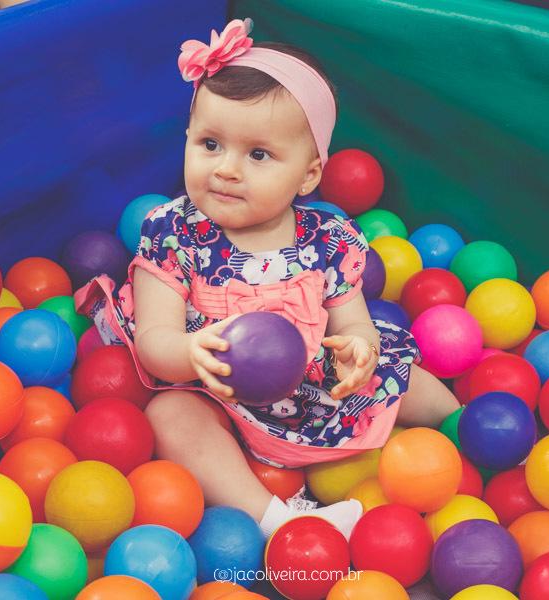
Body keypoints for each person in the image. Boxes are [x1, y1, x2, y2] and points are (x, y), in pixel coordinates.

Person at [76, 18, 460, 539]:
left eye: (258, 154)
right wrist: (191, 352)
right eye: (210, 144)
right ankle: (276, 520)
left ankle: (465, 435)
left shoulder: (328, 237)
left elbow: (354, 325)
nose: (227, 169)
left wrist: (359, 352)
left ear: (308, 174)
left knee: (404, 379)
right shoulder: (173, 234)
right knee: (171, 417)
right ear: (187, 138)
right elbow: (153, 343)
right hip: (216, 393)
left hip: (310, 383)